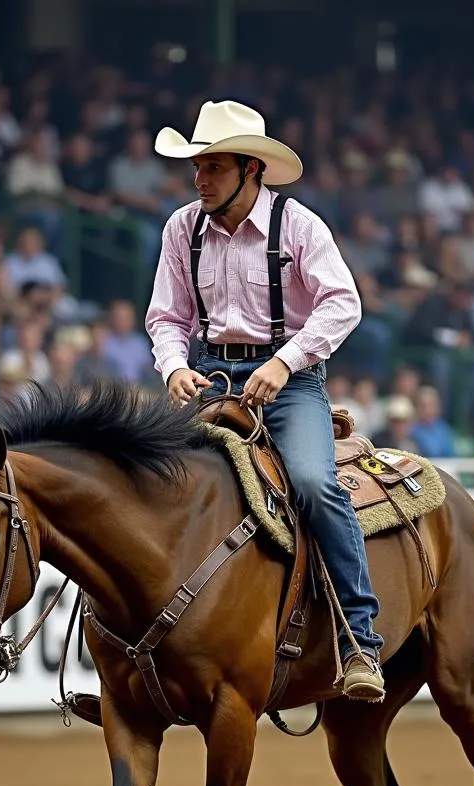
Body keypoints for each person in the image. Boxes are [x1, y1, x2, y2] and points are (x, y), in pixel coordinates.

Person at [145, 99, 385, 701]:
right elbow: (167, 317)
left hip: (290, 382)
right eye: (198, 168)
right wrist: (174, 367)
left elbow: (342, 303)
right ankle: (135, 652)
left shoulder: (298, 225)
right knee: (142, 480)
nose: (200, 180)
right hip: (208, 379)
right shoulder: (183, 228)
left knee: (310, 481)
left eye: (214, 168)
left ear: (251, 169)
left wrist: (284, 363)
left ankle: (360, 641)